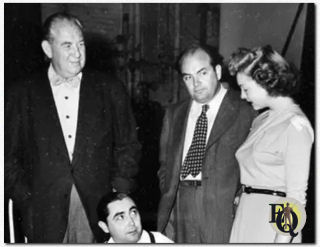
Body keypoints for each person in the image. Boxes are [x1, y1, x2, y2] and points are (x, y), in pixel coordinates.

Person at [4, 12, 140, 243]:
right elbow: (6, 156)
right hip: (43, 213)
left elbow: (128, 145)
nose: (77, 53)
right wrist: (26, 197)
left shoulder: (110, 89)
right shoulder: (21, 94)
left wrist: (118, 192)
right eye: (67, 45)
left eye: (81, 44)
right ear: (47, 49)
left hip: (98, 209)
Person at [157, 44, 255, 243]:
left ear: (218, 71)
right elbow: (165, 165)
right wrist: (172, 193)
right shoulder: (174, 113)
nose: (196, 83)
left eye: (202, 73)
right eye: (188, 77)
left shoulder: (245, 110)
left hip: (223, 212)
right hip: (180, 208)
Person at [227, 45, 314, 243]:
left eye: (245, 88)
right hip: (247, 217)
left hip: (272, 226)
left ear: (265, 81)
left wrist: (281, 241)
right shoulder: (263, 119)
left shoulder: (295, 126)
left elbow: (295, 198)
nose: (242, 95)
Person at [97, 192, 173, 243]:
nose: (132, 222)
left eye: (133, 212)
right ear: (104, 227)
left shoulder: (159, 241)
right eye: (120, 217)